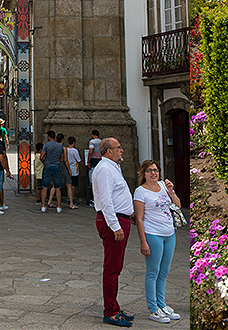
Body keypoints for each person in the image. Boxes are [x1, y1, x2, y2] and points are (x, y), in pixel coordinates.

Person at [92, 137, 135, 327]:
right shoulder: (105, 169)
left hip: (121, 218)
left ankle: (114, 307)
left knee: (116, 267)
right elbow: (107, 200)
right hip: (113, 221)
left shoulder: (113, 167)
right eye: (118, 148)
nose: (122, 150)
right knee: (112, 268)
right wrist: (115, 225)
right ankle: (110, 311)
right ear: (109, 151)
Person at [134, 160, 181, 323]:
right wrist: (143, 241)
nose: (153, 173)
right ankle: (153, 308)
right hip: (153, 234)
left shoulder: (163, 185)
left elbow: (177, 205)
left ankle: (161, 304)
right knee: (153, 271)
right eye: (149, 170)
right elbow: (139, 219)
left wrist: (171, 192)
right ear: (144, 173)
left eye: (155, 170)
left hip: (169, 234)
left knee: (164, 272)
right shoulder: (140, 191)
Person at [40, 129, 64, 213]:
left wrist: (45, 162)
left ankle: (43, 206)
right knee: (57, 187)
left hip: (47, 166)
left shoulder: (46, 145)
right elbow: (62, 159)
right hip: (56, 166)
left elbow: (41, 156)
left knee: (45, 187)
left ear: (48, 137)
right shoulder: (60, 146)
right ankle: (58, 206)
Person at [65, 137, 82, 209]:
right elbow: (78, 160)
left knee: (69, 185)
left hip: (68, 169)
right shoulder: (75, 151)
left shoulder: (66, 150)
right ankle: (73, 198)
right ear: (74, 142)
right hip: (74, 170)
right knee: (73, 186)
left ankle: (69, 198)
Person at [87, 129, 102, 207]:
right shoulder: (102, 142)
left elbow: (90, 151)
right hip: (100, 161)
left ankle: (94, 200)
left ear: (93, 135)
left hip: (93, 161)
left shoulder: (92, 142)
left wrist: (88, 161)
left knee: (93, 182)